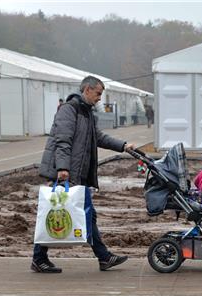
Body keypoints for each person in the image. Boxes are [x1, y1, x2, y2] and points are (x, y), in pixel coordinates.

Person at [32, 76, 136, 274]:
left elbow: (99, 138)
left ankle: (102, 257)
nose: (99, 98)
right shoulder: (69, 110)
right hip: (66, 174)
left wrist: (123, 146)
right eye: (98, 94)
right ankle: (40, 257)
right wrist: (63, 168)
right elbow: (62, 140)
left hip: (76, 174)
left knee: (77, 214)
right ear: (87, 89)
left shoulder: (86, 113)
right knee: (57, 213)